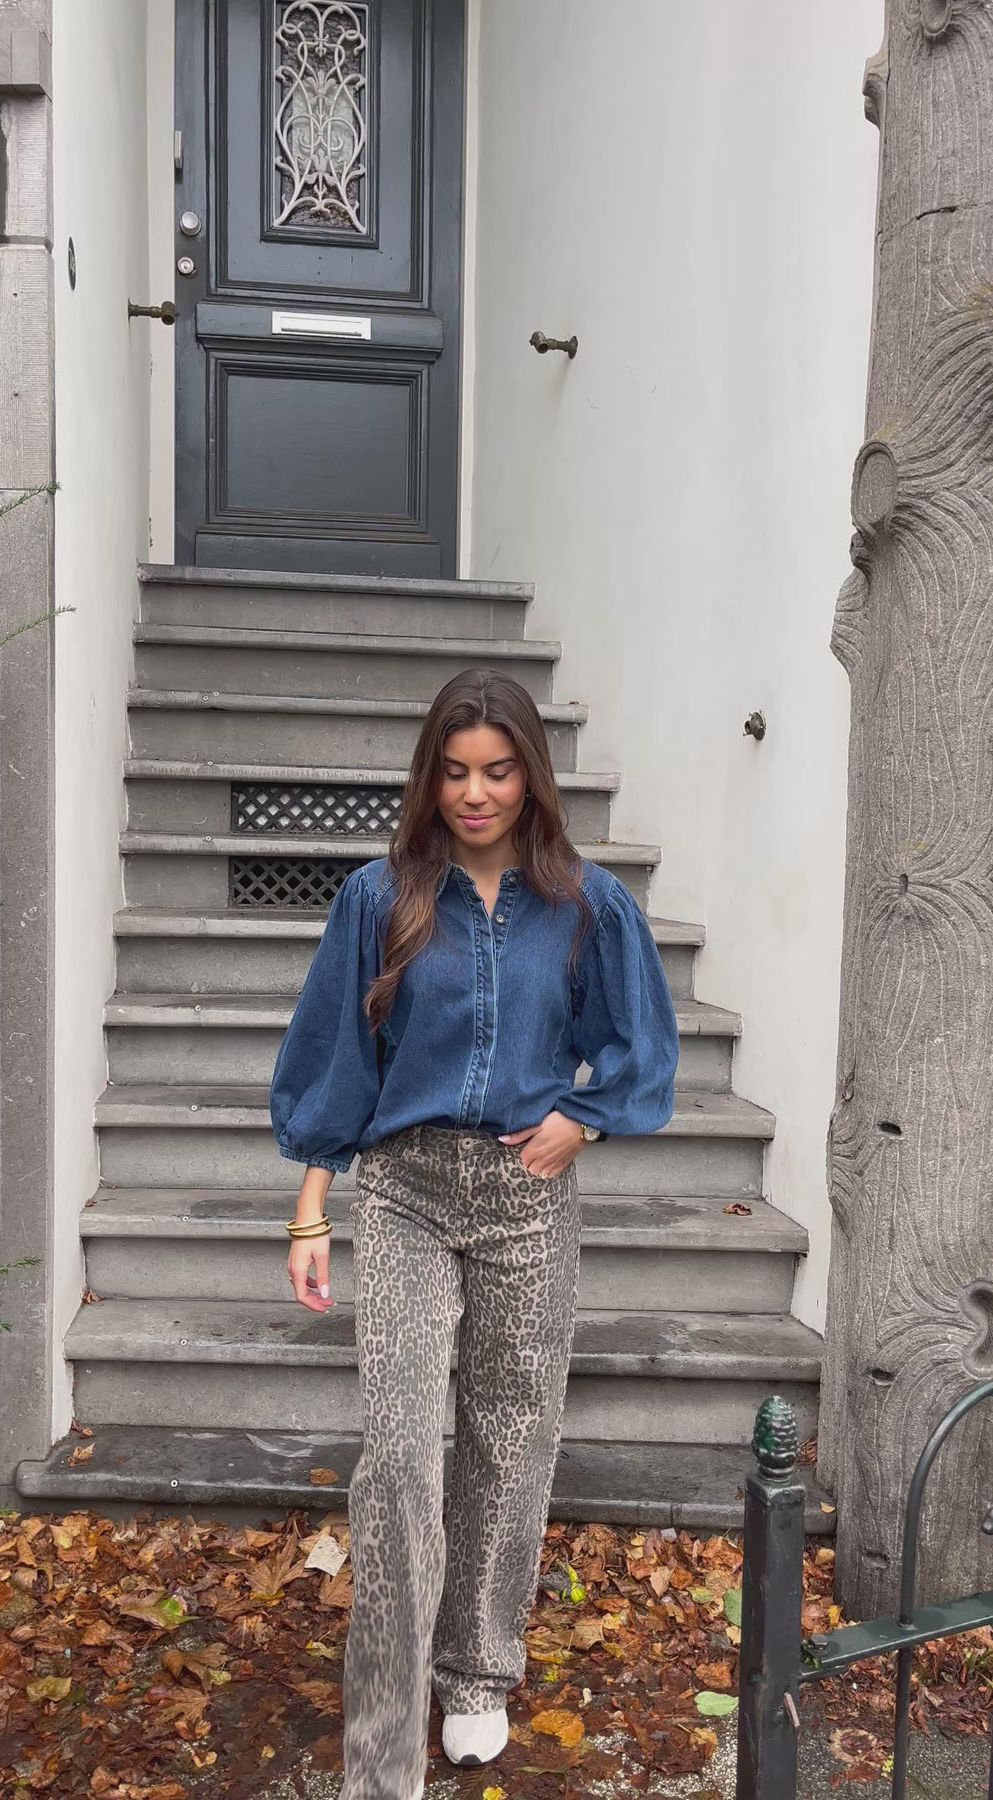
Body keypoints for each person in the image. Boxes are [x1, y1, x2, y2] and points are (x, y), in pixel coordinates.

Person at [269, 667, 679, 1800]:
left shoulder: (585, 903)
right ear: (429, 777)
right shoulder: (378, 898)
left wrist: (580, 1121)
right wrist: (309, 1208)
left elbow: (640, 1041)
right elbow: (336, 1057)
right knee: (402, 1453)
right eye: (453, 772)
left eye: (497, 771)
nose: (475, 793)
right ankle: (383, 1733)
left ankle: (477, 1673)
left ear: (530, 776)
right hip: (404, 1190)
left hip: (524, 1198)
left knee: (509, 1439)